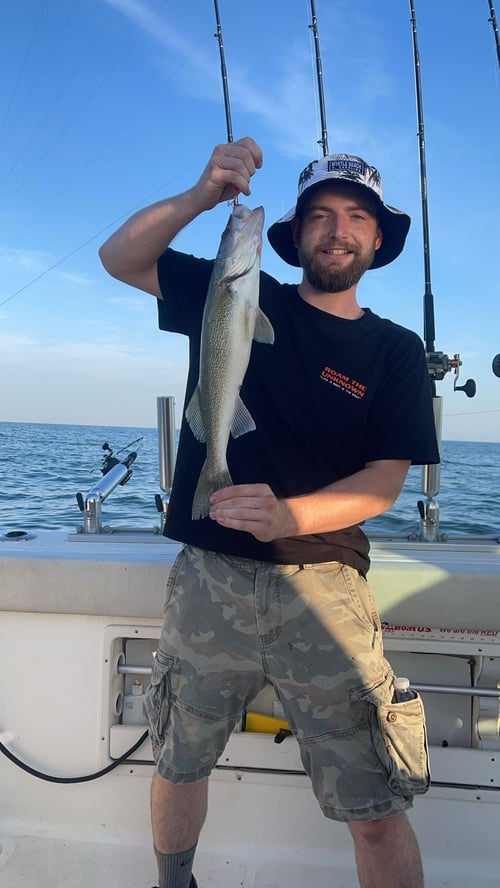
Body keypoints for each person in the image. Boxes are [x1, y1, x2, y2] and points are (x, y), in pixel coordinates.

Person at [99, 136, 439, 888]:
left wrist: (290, 518)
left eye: (356, 216)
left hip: (327, 591)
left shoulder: (394, 350)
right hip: (209, 580)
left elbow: (384, 483)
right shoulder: (238, 291)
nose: (337, 229)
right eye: (319, 214)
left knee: (374, 803)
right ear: (293, 233)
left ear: (378, 237)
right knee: (180, 761)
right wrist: (198, 198)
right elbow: (119, 258)